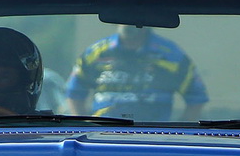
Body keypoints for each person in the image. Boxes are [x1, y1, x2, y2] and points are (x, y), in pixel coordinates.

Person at [64, 24, 208, 121]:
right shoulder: (95, 53)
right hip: (102, 135)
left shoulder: (171, 55)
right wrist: (83, 125)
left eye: (134, 18)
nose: (128, 23)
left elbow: (196, 97)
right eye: (123, 16)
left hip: (154, 136)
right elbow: (74, 92)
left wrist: (178, 132)